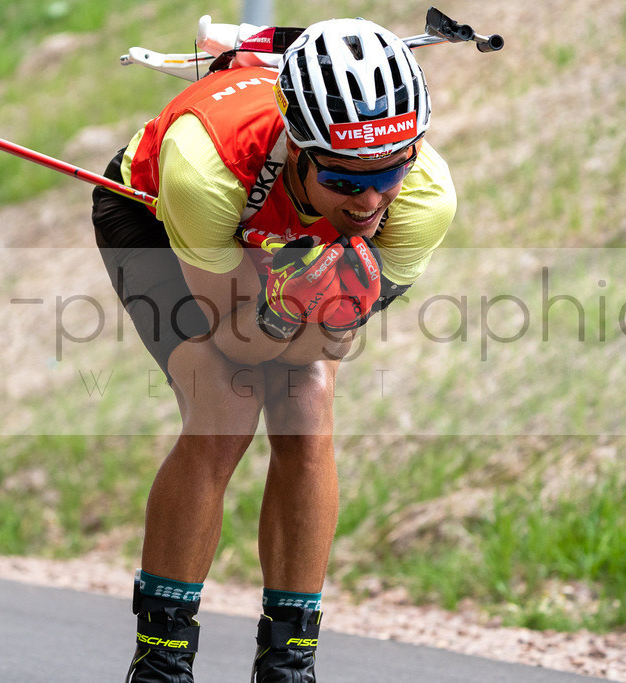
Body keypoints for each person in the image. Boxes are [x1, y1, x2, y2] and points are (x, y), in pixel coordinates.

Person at [91, 17, 456, 682]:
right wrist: (286, 303)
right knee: (225, 398)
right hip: (149, 215)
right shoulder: (206, 169)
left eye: (390, 173)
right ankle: (162, 659)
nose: (372, 200)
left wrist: (335, 314)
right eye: (345, 181)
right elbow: (235, 336)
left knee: (306, 399)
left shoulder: (424, 198)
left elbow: (321, 349)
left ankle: (289, 660)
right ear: (297, 150)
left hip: (283, 235)